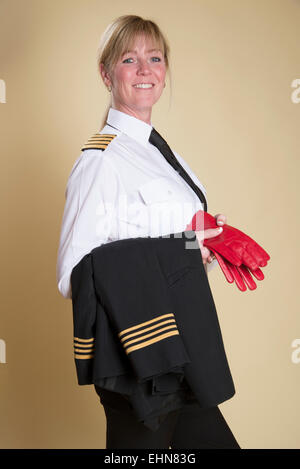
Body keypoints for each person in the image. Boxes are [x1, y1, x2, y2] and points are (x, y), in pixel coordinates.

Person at [56, 14, 240, 449]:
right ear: (106, 73)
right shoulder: (101, 160)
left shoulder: (160, 154)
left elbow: (166, 248)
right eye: (129, 59)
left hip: (180, 348)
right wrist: (182, 252)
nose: (144, 69)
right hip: (137, 363)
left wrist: (204, 245)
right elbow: (74, 273)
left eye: (154, 58)